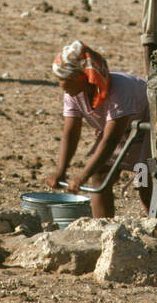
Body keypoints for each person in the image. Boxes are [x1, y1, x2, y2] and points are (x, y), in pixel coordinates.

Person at [45, 42, 150, 219]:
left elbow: (110, 139)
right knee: (100, 174)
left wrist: (82, 176)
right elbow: (70, 134)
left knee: (145, 182)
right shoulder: (73, 93)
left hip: (146, 132)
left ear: (80, 78)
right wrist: (60, 170)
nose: (60, 84)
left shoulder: (119, 90)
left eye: (62, 79)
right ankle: (104, 228)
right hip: (123, 133)